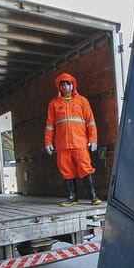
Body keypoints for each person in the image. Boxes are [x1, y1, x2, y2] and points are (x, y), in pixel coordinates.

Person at [44, 73, 102, 206]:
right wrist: (48, 142)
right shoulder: (54, 103)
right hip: (62, 144)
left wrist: (93, 139)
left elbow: (90, 122)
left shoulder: (82, 101)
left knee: (86, 168)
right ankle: (73, 197)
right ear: (59, 87)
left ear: (73, 85)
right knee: (66, 170)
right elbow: (49, 125)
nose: (65, 86)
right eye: (62, 84)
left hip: (80, 142)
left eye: (68, 83)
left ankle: (93, 197)